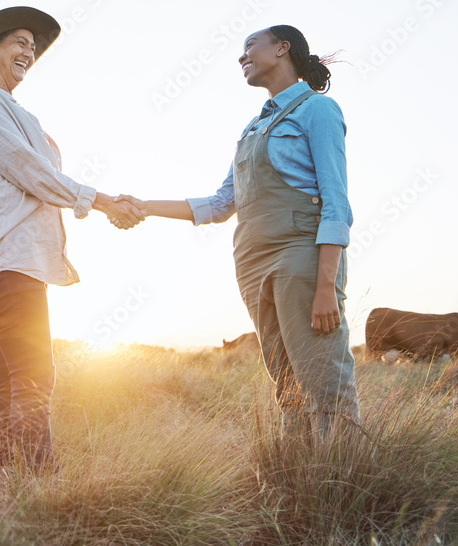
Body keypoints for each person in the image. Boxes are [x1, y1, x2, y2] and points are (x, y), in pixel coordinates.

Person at [127, 25, 360, 447]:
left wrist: (326, 286)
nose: (242, 56)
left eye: (250, 46)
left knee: (323, 377)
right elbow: (220, 205)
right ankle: (298, 479)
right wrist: (144, 206)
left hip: (300, 256)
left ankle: (346, 482)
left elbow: (336, 204)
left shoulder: (318, 111)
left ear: (282, 48)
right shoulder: (252, 129)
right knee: (286, 383)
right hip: (252, 265)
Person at [0, 6, 144, 476]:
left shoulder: (19, 112)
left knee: (9, 374)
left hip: (20, 258)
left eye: (33, 48)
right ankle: (40, 477)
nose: (29, 52)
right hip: (6, 255)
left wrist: (105, 202)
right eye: (19, 42)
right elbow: (32, 172)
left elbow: (41, 175)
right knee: (36, 373)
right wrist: (102, 202)